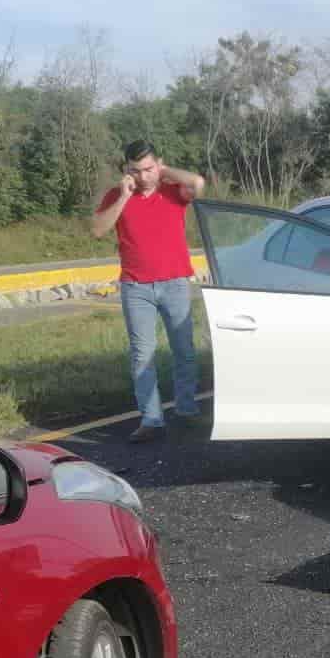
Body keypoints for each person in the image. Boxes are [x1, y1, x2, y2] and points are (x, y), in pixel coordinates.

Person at [90, 141, 206, 443]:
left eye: (149, 169)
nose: (143, 176)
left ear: (159, 165)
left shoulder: (173, 192)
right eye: (135, 170)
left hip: (175, 283)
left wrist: (166, 172)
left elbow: (198, 183)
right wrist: (124, 197)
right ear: (126, 171)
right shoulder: (117, 196)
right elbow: (98, 230)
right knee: (143, 354)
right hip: (135, 286)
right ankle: (151, 419)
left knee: (184, 350)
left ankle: (187, 409)